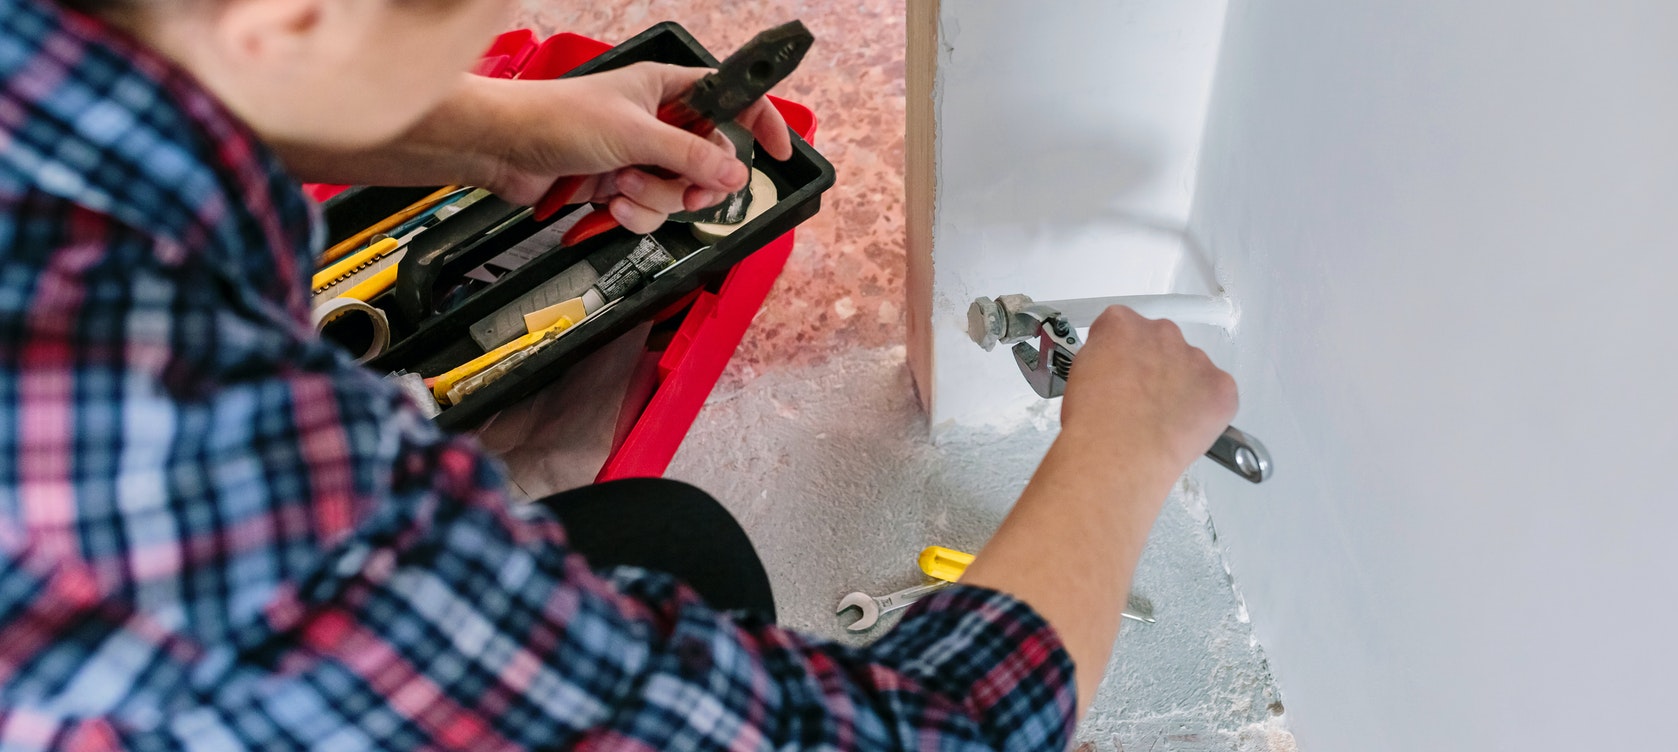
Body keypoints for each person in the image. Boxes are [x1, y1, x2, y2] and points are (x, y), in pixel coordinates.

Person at [0, 0, 1240, 745]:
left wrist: (498, 130)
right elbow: (937, 731)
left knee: (663, 543)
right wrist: (1118, 451)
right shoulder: (214, 481)